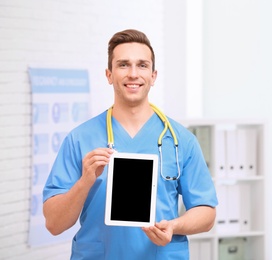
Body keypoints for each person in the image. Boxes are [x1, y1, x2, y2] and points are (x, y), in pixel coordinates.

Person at [43, 29, 218, 259]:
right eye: (123, 65)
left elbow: (206, 213)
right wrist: (86, 181)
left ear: (153, 76)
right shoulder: (80, 139)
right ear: (109, 74)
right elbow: (54, 224)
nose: (133, 74)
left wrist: (174, 226)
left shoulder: (180, 141)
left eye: (142, 65)